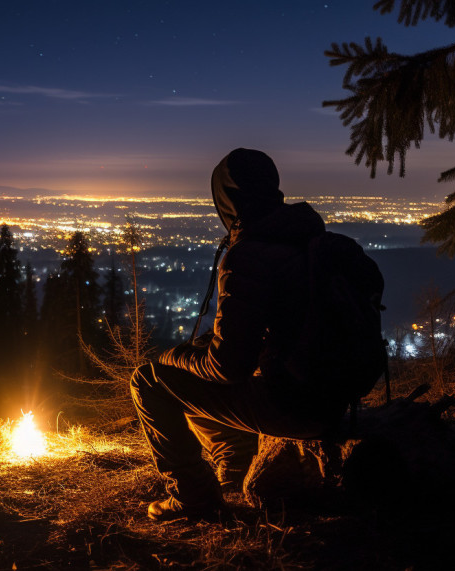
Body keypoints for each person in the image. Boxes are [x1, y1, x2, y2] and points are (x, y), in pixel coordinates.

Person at [131, 148, 349, 521]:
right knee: (198, 360)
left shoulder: (249, 254)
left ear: (227, 200)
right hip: (335, 401)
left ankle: (192, 495)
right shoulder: (308, 239)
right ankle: (234, 465)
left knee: (150, 380)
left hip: (295, 407)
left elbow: (227, 368)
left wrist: (173, 356)